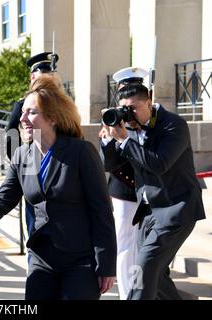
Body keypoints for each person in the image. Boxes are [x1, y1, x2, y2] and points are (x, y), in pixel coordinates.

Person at [0, 75, 117, 300]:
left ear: (52, 117)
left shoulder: (81, 152)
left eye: (31, 112)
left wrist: (107, 264)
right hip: (42, 259)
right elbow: (3, 201)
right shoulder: (23, 156)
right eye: (23, 112)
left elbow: (102, 211)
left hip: (80, 260)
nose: (22, 119)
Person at [100, 67, 206, 300]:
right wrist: (109, 139)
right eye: (125, 110)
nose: (130, 115)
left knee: (144, 267)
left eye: (134, 109)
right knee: (157, 277)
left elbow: (159, 164)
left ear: (149, 101)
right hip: (149, 214)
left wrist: (126, 141)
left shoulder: (174, 125)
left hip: (176, 210)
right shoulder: (130, 130)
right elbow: (111, 165)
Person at [97, 67, 146, 299]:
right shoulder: (114, 119)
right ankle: (128, 294)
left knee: (146, 246)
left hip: (150, 189)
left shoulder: (148, 117)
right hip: (124, 189)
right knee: (126, 245)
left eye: (132, 90)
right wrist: (109, 138)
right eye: (124, 91)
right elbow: (109, 164)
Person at [6, 52, 60, 238]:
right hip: (33, 166)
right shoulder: (23, 104)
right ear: (32, 77)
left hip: (58, 165)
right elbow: (11, 135)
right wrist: (21, 164)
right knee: (34, 224)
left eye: (49, 76)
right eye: (41, 76)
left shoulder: (61, 105)